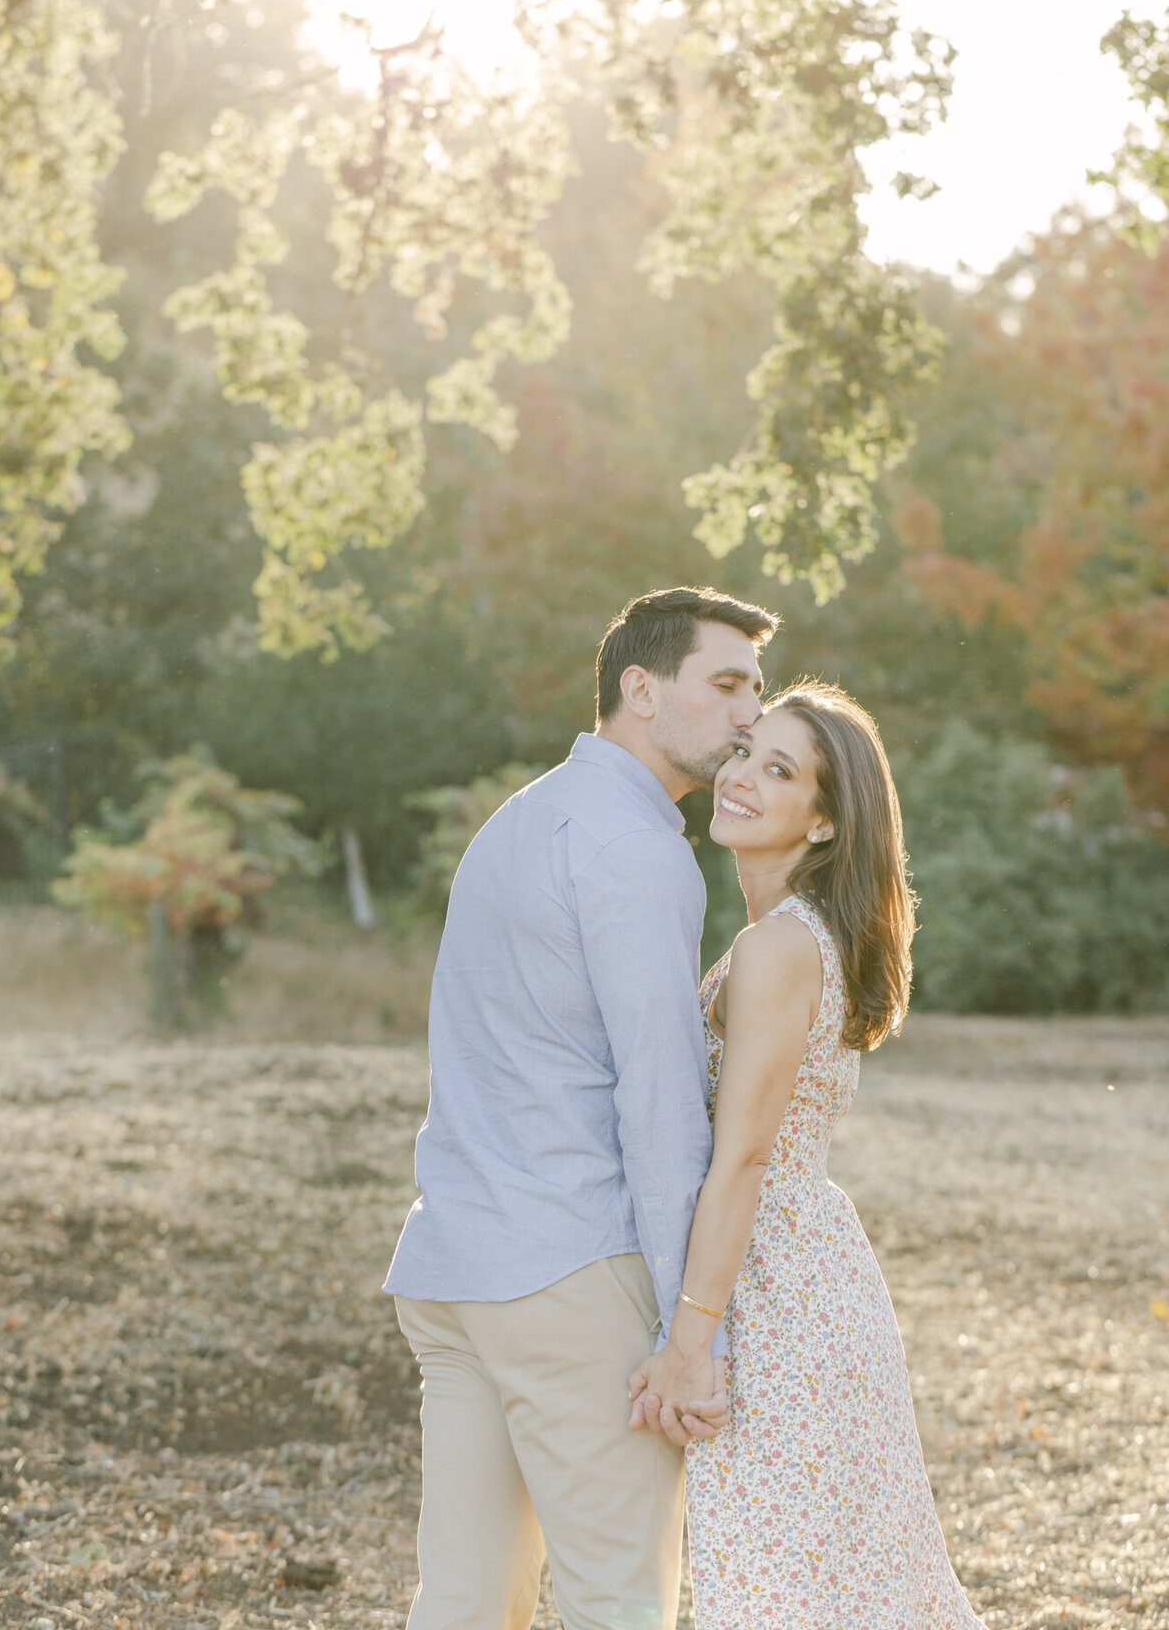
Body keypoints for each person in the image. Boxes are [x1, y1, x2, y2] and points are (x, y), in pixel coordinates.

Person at [384, 585, 780, 1630]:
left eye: (759, 690)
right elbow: (657, 1108)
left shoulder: (522, 818)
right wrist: (694, 1333)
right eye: (728, 684)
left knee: (465, 1603)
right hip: (567, 1274)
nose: (750, 715)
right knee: (618, 1602)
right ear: (640, 690)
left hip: (455, 1267)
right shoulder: (637, 850)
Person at [627, 681, 986, 1627]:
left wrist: (688, 1349)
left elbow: (742, 1159)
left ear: (825, 823)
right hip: (804, 1281)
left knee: (785, 1591)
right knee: (840, 1586)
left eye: (777, 769)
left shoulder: (782, 948)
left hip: (780, 1298)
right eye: (744, 751)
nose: (738, 775)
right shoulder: (783, 937)